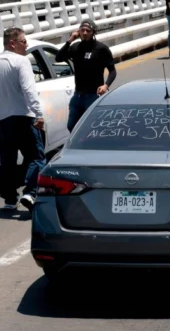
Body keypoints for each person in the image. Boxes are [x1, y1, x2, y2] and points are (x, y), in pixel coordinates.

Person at [0, 27, 46, 211]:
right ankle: (30, 192)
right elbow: (29, 90)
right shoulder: (21, 61)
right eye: (23, 41)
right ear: (13, 43)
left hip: (3, 120)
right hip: (23, 117)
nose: (26, 45)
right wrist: (38, 114)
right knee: (37, 157)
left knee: (8, 160)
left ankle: (10, 199)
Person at [56, 20, 117, 132]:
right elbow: (58, 58)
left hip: (93, 95)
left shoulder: (101, 49)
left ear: (93, 33)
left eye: (88, 31)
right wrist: (70, 40)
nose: (84, 33)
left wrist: (106, 85)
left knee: (92, 127)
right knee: (72, 126)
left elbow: (112, 71)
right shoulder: (75, 47)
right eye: (82, 30)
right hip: (78, 95)